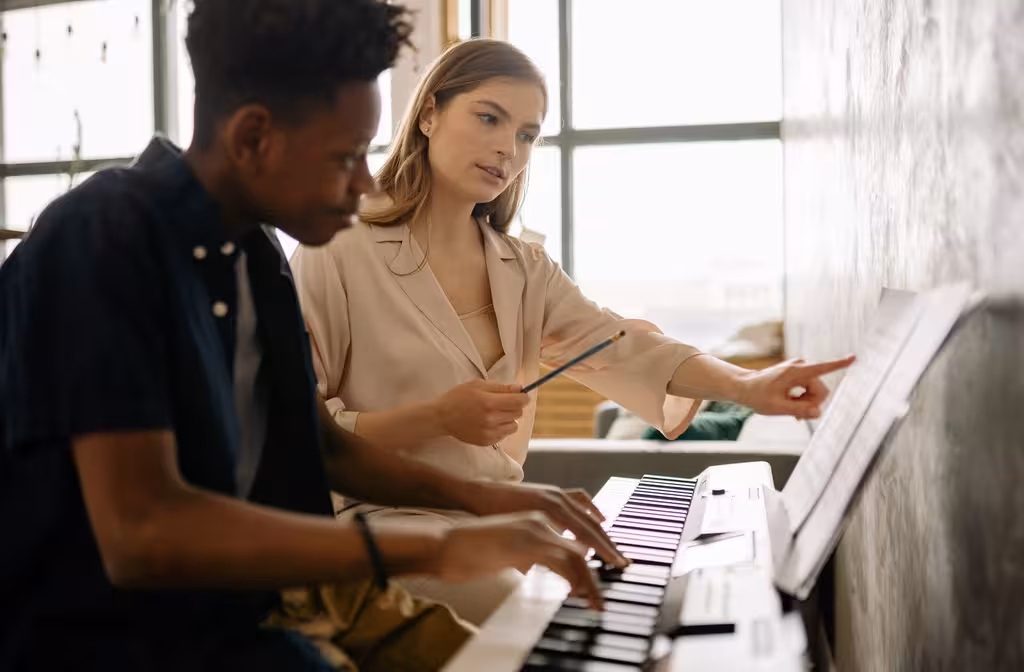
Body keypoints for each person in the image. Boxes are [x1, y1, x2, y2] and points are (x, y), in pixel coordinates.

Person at [0, 4, 626, 671]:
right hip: (119, 638)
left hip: (261, 603)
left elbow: (319, 444)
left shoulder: (257, 255)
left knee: (541, 655)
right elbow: (143, 534)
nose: (363, 186)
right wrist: (440, 549)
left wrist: (492, 497)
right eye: (347, 157)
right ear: (253, 137)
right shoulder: (105, 237)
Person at [290, 38, 855, 624]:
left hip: (501, 524)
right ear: (429, 113)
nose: (508, 148)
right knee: (556, 615)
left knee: (629, 599)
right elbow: (302, 434)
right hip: (382, 529)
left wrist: (748, 385)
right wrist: (436, 418)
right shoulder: (337, 248)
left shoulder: (525, 268)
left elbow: (624, 347)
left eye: (527, 134)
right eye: (489, 117)